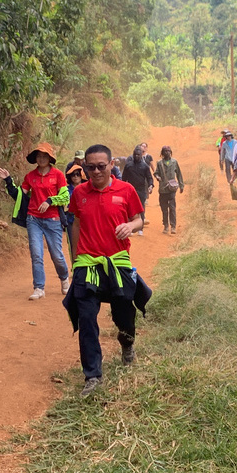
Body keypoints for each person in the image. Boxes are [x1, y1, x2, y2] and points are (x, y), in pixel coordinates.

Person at [63, 144, 146, 397]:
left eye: (101, 166)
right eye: (90, 167)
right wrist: (75, 259)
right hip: (87, 264)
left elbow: (139, 218)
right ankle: (92, 376)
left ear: (111, 165)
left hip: (117, 261)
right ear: (84, 167)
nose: (96, 171)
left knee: (123, 313)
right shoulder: (79, 193)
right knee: (86, 319)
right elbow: (76, 222)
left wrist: (130, 227)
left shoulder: (127, 190)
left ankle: (127, 343)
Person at [0, 142, 70, 301]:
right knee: (36, 254)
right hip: (33, 219)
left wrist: (50, 201)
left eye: (45, 156)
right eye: (39, 156)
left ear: (50, 158)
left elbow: (65, 196)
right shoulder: (30, 177)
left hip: (53, 220)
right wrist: (8, 180)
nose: (41, 158)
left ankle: (64, 278)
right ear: (35, 158)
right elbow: (20, 196)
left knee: (56, 254)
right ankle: (39, 288)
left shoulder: (58, 175)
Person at [121, 145, 155, 235]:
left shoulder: (144, 166)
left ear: (141, 155)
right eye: (135, 155)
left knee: (141, 209)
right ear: (133, 155)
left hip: (141, 191)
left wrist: (151, 185)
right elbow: (123, 179)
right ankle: (130, 228)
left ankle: (141, 229)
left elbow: (149, 178)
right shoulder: (128, 165)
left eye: (138, 155)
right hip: (130, 191)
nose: (136, 156)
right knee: (129, 209)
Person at [154, 145, 184, 235]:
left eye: (168, 151)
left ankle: (173, 226)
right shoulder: (159, 163)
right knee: (164, 209)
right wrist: (158, 177)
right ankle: (166, 226)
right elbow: (156, 173)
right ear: (162, 153)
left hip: (172, 189)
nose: (167, 153)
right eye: (165, 151)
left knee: (172, 208)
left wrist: (181, 185)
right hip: (163, 189)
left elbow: (179, 174)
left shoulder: (174, 162)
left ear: (170, 152)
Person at [63, 162, 86, 258]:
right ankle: (76, 268)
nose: (75, 177)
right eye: (73, 175)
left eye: (77, 174)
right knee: (73, 246)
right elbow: (64, 206)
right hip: (71, 222)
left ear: (82, 176)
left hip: (86, 222)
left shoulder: (87, 189)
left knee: (86, 245)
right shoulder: (66, 190)